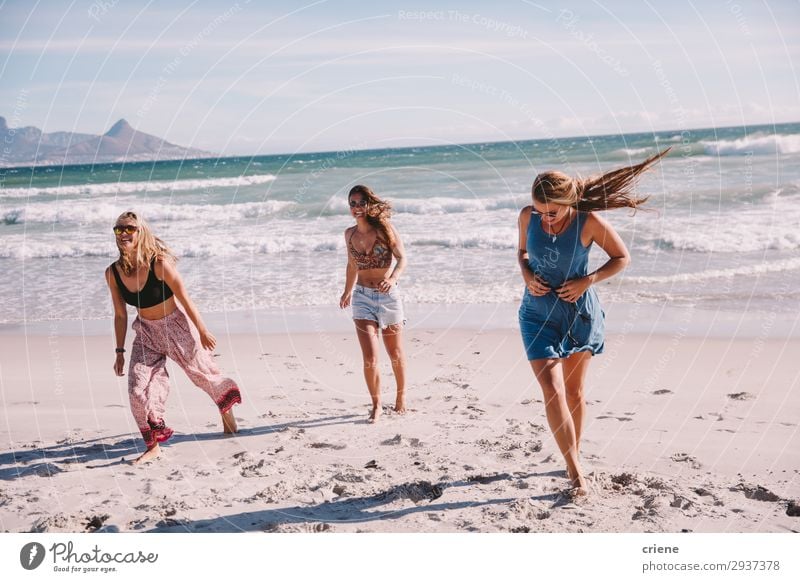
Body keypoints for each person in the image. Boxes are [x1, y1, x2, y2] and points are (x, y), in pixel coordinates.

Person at [517, 149, 669, 495]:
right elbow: (522, 254)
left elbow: (621, 258)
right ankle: (574, 470)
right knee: (552, 390)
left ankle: (574, 452)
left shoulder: (590, 223)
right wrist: (527, 274)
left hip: (578, 315)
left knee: (574, 391)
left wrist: (588, 280)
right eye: (541, 213)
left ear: (567, 203)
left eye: (552, 213)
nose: (546, 220)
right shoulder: (528, 217)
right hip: (536, 313)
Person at [105, 211, 242, 464]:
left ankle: (228, 415)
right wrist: (119, 352)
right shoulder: (113, 273)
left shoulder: (159, 264)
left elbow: (185, 298)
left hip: (177, 328)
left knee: (204, 376)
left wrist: (202, 330)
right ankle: (152, 444)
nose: (123, 233)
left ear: (140, 232)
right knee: (137, 390)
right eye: (118, 229)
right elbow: (121, 316)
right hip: (146, 333)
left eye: (129, 228)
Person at [339, 185, 408, 423]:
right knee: (369, 358)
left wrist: (392, 279)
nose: (356, 208)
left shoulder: (385, 229)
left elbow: (402, 258)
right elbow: (352, 266)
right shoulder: (348, 234)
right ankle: (376, 405)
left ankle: (400, 398)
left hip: (388, 297)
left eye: (360, 203)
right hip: (362, 297)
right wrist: (347, 292)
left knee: (395, 353)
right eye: (352, 204)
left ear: (369, 204)